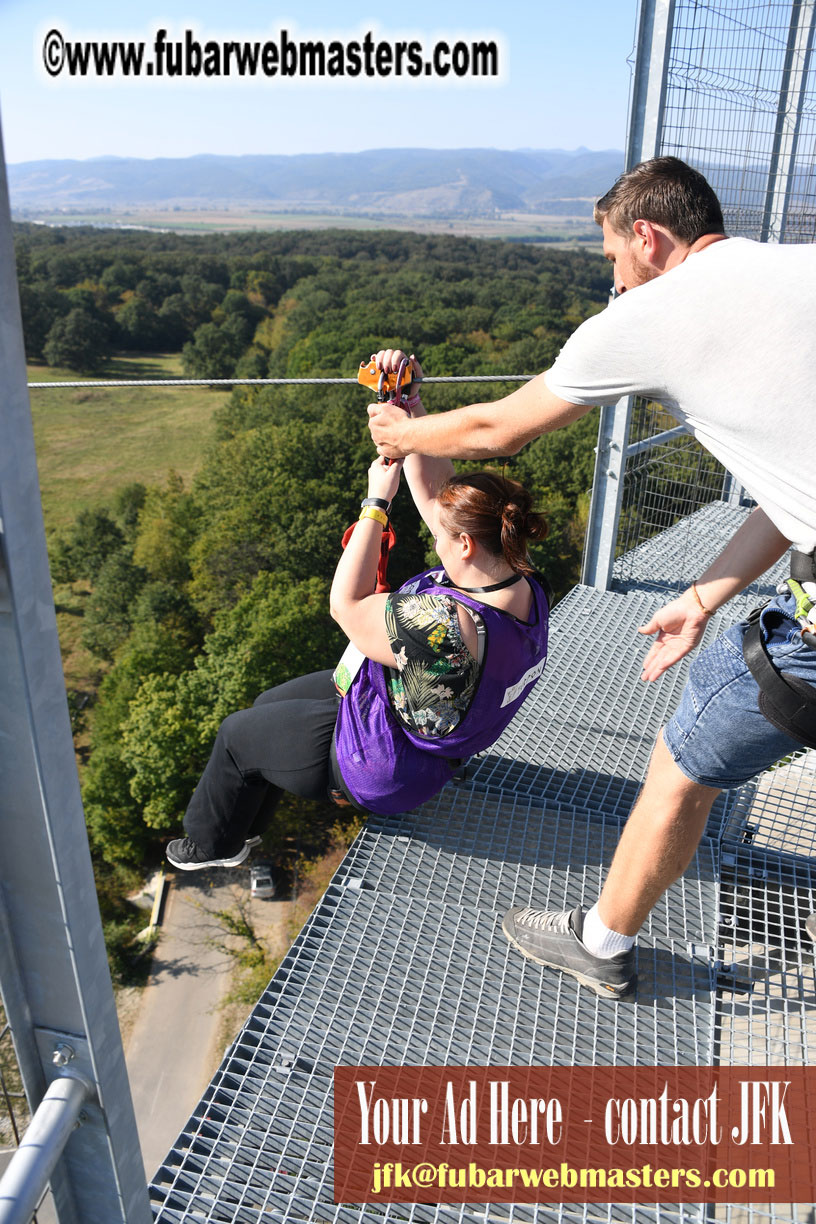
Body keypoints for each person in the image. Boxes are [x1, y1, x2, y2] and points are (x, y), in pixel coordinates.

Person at [367, 156, 816, 1000]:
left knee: (686, 755)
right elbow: (799, 495)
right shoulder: (800, 270)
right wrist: (700, 598)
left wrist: (400, 434)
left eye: (612, 256)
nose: (613, 276)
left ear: (647, 237)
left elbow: (502, 429)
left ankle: (602, 943)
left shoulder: (657, 311)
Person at [165, 414, 550, 871]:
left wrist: (375, 504)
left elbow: (346, 605)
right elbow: (435, 494)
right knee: (266, 704)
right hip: (419, 724)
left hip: (383, 766)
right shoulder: (521, 583)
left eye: (442, 536)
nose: (434, 534)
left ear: (466, 544)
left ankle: (216, 846)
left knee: (235, 736)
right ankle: (243, 821)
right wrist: (408, 416)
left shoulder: (443, 627)